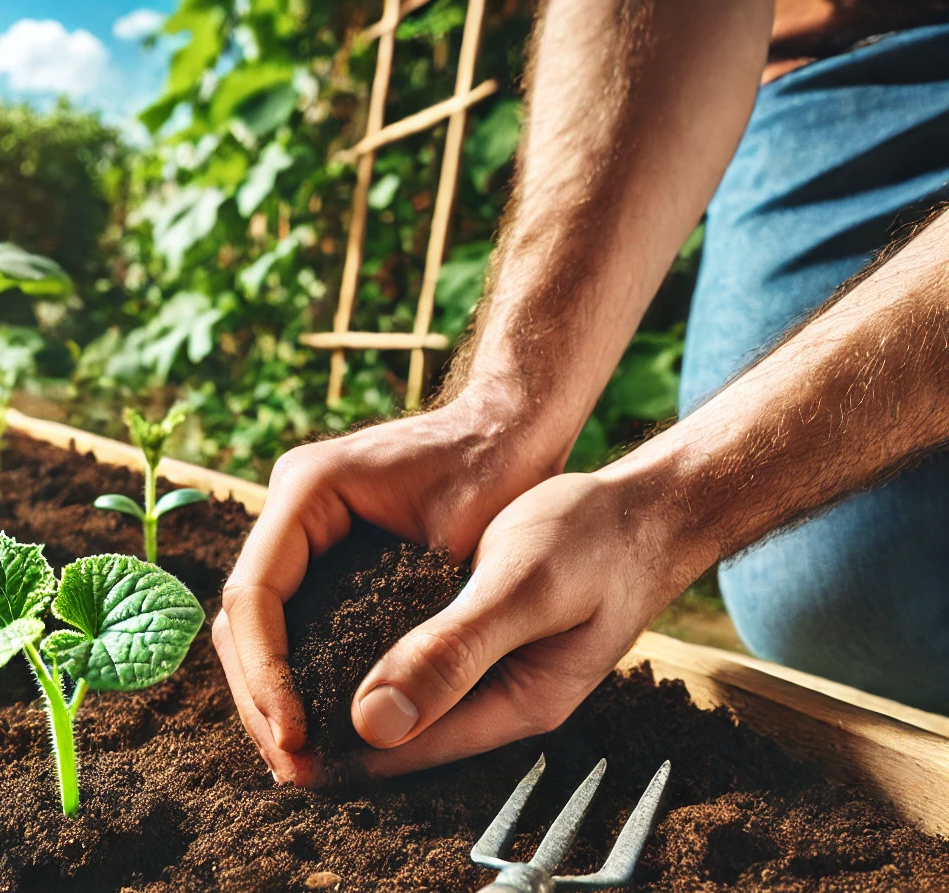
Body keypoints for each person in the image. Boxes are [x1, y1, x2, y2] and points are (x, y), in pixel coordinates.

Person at [214, 0, 949, 783]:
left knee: (849, 574)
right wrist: (500, 416)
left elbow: (682, 501)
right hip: (838, 60)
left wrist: (666, 510)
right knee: (828, 590)